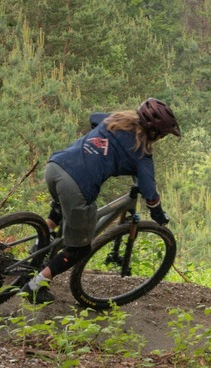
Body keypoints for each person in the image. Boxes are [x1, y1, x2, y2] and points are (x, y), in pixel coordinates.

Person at [20, 97, 181, 303]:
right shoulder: (142, 153)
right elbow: (150, 194)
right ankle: (34, 286)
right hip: (76, 186)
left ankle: (37, 249)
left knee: (60, 210)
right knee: (79, 249)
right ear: (155, 133)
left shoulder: (113, 119)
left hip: (56, 166)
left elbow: (93, 118)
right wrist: (158, 215)